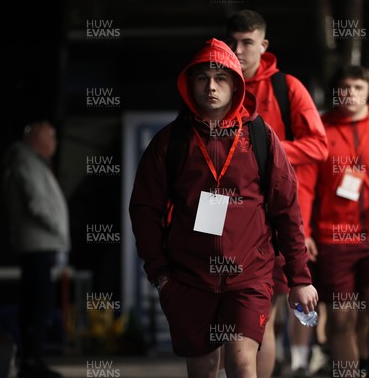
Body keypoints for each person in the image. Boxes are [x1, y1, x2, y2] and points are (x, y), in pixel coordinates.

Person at [129, 38, 318, 378]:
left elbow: (286, 210)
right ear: (190, 84)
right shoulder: (170, 142)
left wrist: (299, 277)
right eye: (202, 78)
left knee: (243, 362)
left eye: (220, 78)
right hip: (188, 278)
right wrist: (160, 273)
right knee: (203, 369)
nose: (211, 87)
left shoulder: (261, 137)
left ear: (235, 84)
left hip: (250, 275)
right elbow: (144, 209)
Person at [225, 9, 328, 378]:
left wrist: (269, 149)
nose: (238, 50)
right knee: (227, 322)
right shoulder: (216, 85)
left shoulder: (287, 87)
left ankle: (299, 360)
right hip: (223, 220)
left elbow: (319, 146)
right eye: (233, 41)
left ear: (263, 45)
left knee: (260, 317)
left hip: (274, 218)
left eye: (247, 42)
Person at [298, 65, 369, 377]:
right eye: (345, 87)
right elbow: (304, 187)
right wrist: (304, 233)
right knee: (341, 319)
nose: (351, 94)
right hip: (333, 239)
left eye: (359, 87)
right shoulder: (320, 130)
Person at [3, 121, 68, 378]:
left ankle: (32, 359)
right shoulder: (25, 162)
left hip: (41, 243)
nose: (55, 143)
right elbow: (36, 203)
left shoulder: (31, 161)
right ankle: (31, 362)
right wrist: (57, 228)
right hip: (38, 244)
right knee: (36, 304)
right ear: (38, 140)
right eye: (51, 137)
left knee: (38, 303)